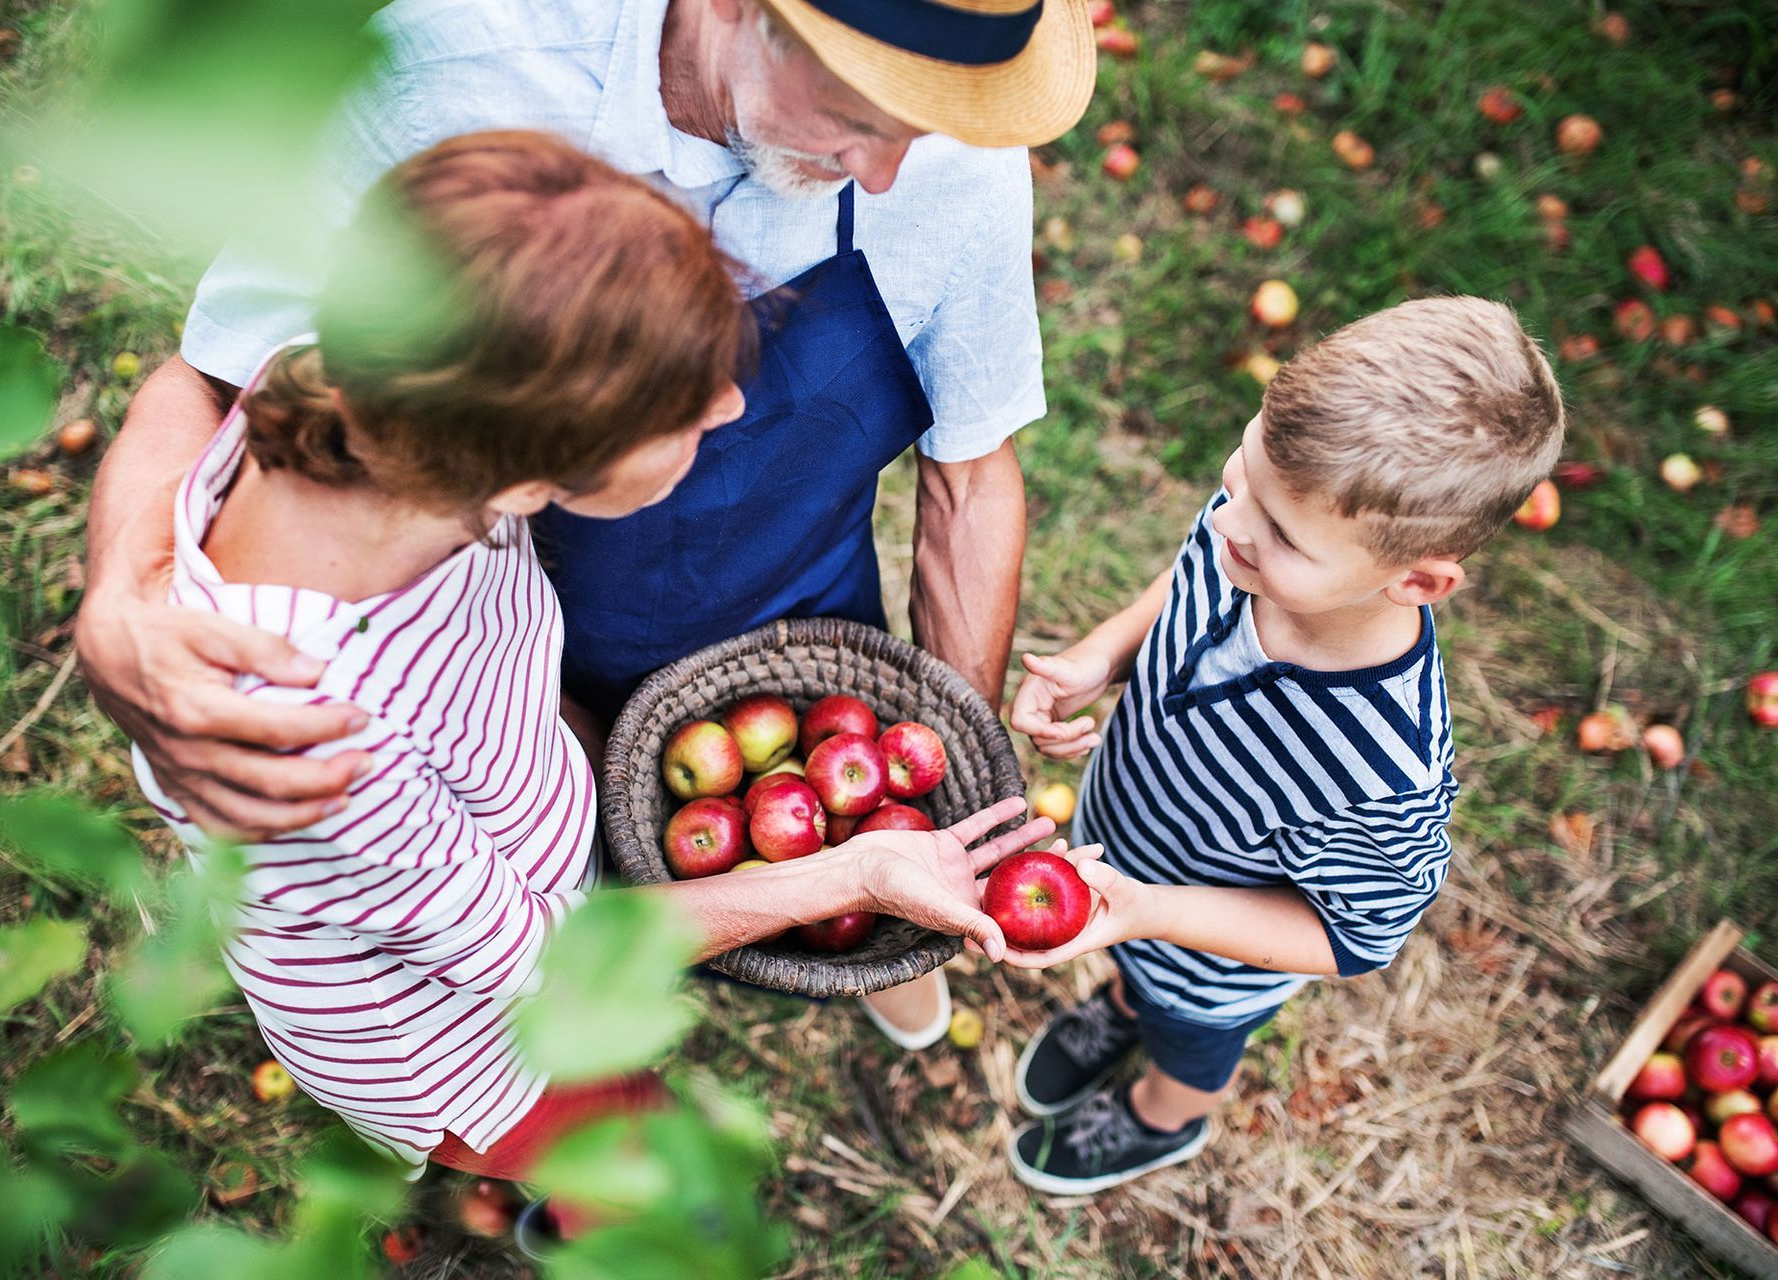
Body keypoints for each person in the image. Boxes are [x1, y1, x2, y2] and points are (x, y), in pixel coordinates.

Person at [75, 0, 1093, 1049]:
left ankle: (860, 929)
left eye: (913, 131)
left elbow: (971, 475)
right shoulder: (451, 70)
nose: (883, 173)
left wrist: (932, 790)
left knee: (758, 884)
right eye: (851, 115)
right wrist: (121, 590)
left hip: (799, 612)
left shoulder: (949, 132)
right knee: (570, 939)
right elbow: (224, 378)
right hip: (515, 657)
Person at [1000, 297, 1567, 1192]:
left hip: (1206, 958)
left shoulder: (1380, 769)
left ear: (1416, 580)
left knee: (1188, 1043)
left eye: (1280, 532)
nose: (1228, 523)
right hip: (1122, 859)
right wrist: (1099, 656)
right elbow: (1176, 588)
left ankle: (1160, 1120)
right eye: (1241, 474)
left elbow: (1356, 937)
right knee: (1136, 979)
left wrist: (1152, 915)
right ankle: (1122, 1000)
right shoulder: (1256, 528)